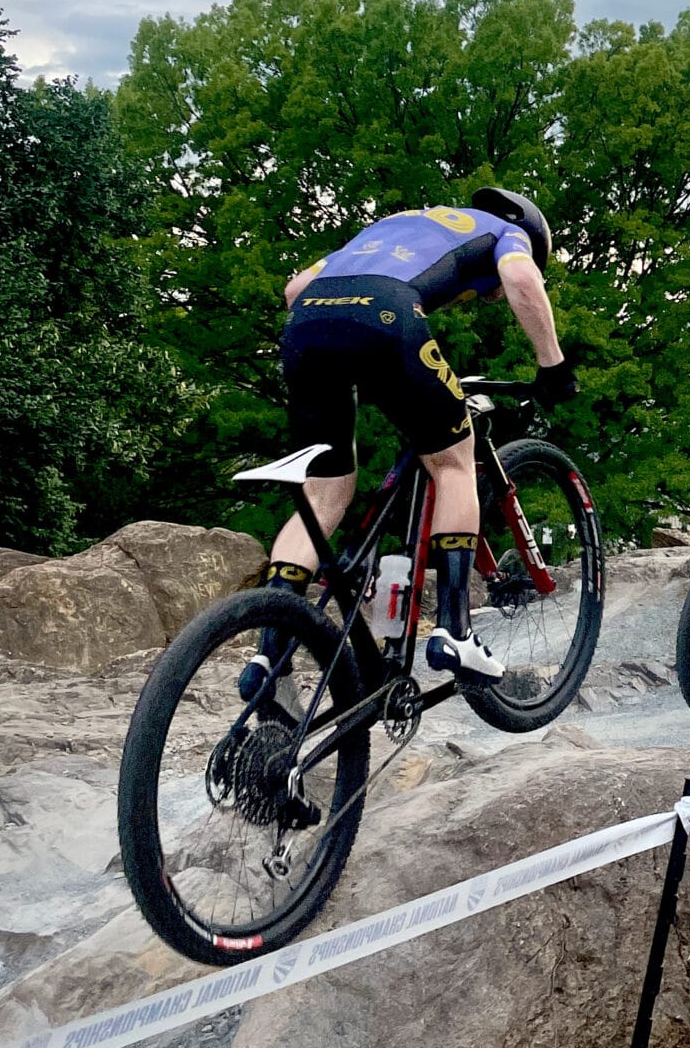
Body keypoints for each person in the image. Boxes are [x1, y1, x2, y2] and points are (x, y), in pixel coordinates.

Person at [247, 188, 576, 693]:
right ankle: (456, 631)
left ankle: (269, 652)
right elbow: (519, 278)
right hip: (386, 315)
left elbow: (294, 290)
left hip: (306, 327)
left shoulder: (392, 224)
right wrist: (551, 365)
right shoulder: (504, 232)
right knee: (453, 463)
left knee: (325, 491)